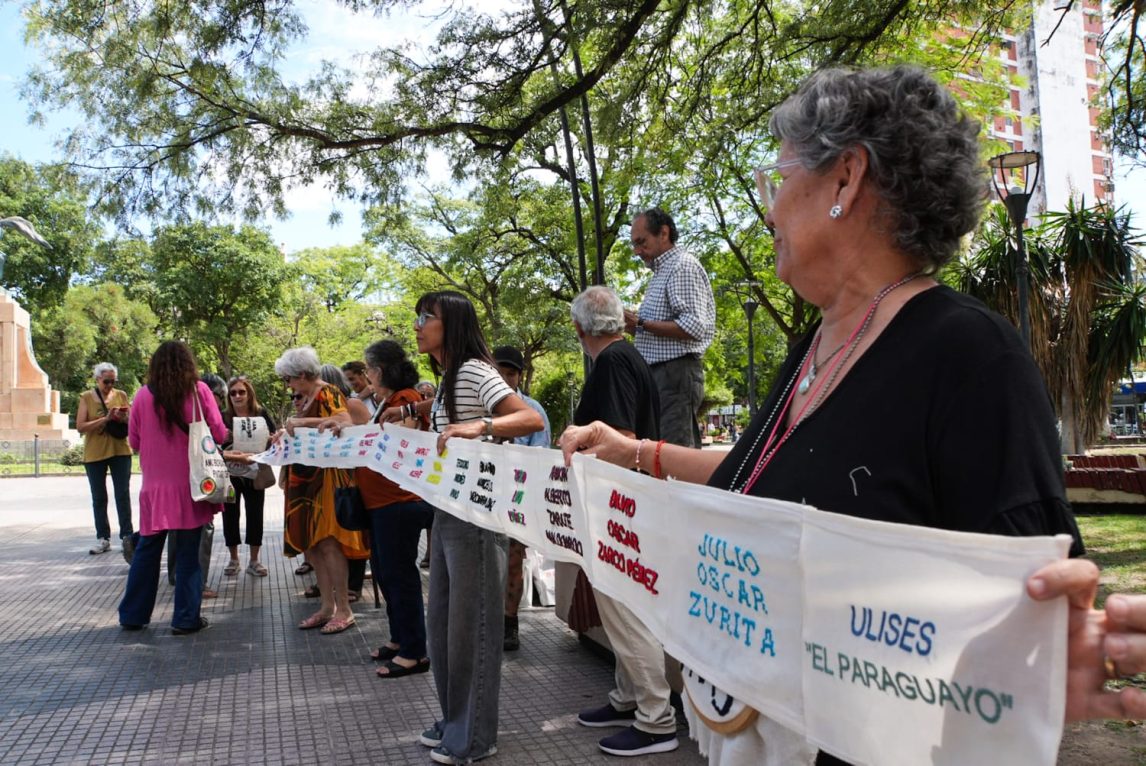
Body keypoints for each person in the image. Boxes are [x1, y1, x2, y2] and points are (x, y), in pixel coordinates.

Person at [560, 66, 1088, 765]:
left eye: (776, 180)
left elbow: (1033, 625)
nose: (770, 211)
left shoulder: (969, 355)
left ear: (845, 179)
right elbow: (772, 472)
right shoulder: (819, 343)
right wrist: (630, 451)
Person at [382, 290, 543, 765]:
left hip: (476, 516)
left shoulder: (472, 369)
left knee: (472, 628)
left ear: (450, 324)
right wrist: (410, 412)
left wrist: (480, 428)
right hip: (448, 510)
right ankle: (455, 719)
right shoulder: (451, 376)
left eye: (425, 317)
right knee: (444, 628)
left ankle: (474, 735)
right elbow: (447, 411)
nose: (416, 325)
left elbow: (528, 416)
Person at [565, 286, 679, 757]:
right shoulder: (628, 358)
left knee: (623, 608)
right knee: (623, 604)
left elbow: (620, 439)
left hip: (617, 502)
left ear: (579, 328)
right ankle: (629, 698)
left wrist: (572, 453)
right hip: (630, 497)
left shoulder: (612, 363)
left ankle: (656, 719)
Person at [322, 340, 435, 679]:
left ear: (380, 370)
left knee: (400, 576)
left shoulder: (406, 400)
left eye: (369, 369)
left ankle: (414, 651)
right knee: (386, 574)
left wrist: (357, 434)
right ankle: (400, 639)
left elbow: (398, 441)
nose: (366, 375)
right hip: (381, 504)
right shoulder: (387, 401)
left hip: (398, 503)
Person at [118, 341, 227, 634]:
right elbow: (218, 432)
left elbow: (134, 441)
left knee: (147, 552)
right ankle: (185, 619)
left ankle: (133, 615)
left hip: (154, 489)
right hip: (192, 486)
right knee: (189, 555)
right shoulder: (199, 391)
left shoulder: (142, 395)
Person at [277, 347, 370, 634]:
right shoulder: (306, 397)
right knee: (313, 543)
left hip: (326, 479)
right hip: (306, 479)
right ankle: (327, 606)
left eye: (289, 379)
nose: (288, 386)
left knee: (329, 543)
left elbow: (344, 420)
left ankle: (343, 608)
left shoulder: (327, 391)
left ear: (303, 375)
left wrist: (302, 422)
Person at [622, 207, 715, 448]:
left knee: (673, 453)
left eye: (641, 242)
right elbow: (662, 327)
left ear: (663, 233)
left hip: (674, 374)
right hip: (663, 375)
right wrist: (632, 326)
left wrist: (640, 323)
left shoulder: (681, 266)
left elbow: (694, 326)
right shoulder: (662, 271)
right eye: (634, 244)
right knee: (660, 453)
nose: (637, 251)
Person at [491, 345, 552, 652]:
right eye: (498, 372)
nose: (504, 379)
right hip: (483, 497)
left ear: (519, 376)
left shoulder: (533, 410)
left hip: (517, 497)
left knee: (514, 559)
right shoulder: (479, 406)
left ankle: (509, 622)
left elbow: (542, 455)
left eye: (511, 373)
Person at [75, 362, 134, 560]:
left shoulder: (121, 395)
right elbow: (80, 426)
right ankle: (103, 537)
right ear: (97, 379)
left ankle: (127, 536)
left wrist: (122, 418)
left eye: (112, 381)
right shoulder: (86, 397)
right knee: (99, 497)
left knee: (122, 494)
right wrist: (105, 419)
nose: (109, 385)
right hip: (95, 453)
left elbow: (132, 421)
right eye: (106, 381)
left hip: (120, 450)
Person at [221, 375, 276, 577]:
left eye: (241, 392)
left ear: (249, 393)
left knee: (255, 513)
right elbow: (214, 440)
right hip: (230, 472)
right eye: (233, 392)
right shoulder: (223, 416)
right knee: (230, 515)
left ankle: (254, 560)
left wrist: (269, 438)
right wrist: (224, 437)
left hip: (255, 471)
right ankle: (233, 559)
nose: (237, 396)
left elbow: (273, 436)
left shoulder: (260, 413)